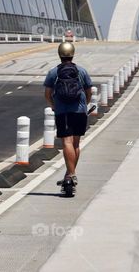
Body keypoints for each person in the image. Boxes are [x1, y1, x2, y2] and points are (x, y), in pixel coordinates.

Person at [44, 41, 94, 196]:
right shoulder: (81, 71)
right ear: (73, 53)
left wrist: (53, 105)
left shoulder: (54, 72)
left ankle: (70, 175)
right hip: (79, 111)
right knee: (76, 143)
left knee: (66, 142)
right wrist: (85, 104)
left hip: (62, 112)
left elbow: (47, 94)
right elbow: (89, 91)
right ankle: (70, 175)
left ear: (59, 54)